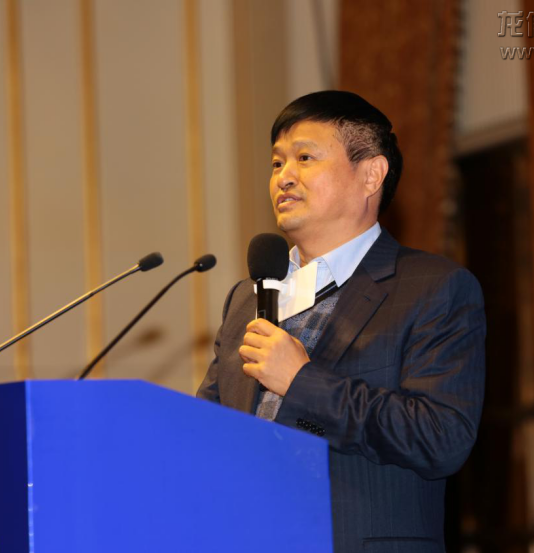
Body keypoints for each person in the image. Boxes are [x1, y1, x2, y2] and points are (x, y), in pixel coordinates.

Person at [197, 90, 486, 553]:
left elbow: (441, 438)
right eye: (276, 163)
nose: (284, 177)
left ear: (371, 174)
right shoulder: (247, 299)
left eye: (304, 158)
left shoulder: (433, 288)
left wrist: (302, 382)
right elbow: (208, 433)